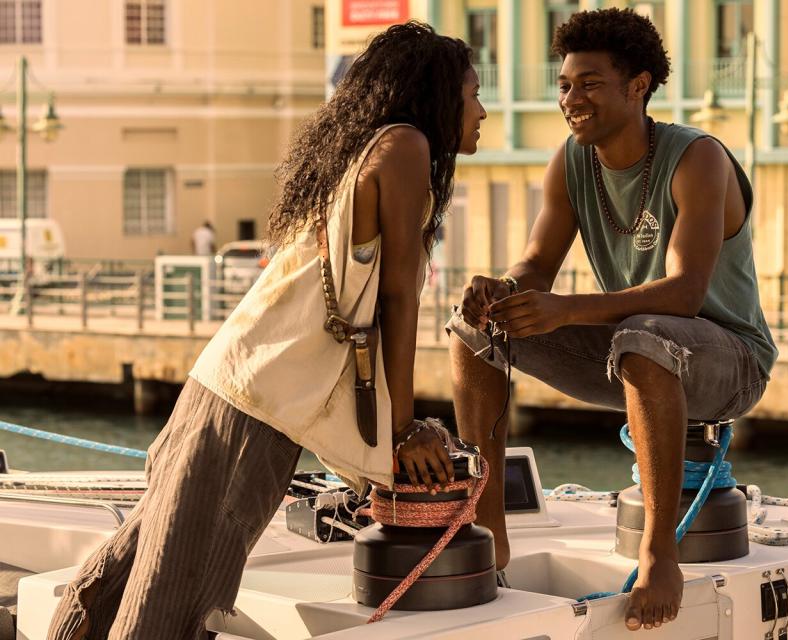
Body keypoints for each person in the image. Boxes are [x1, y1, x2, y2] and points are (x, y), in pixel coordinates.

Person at [48, 22, 485, 639]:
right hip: (254, 406)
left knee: (136, 568)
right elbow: (395, 302)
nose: (482, 110)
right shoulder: (406, 147)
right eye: (472, 94)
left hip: (230, 388)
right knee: (172, 591)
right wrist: (406, 427)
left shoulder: (371, 148)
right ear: (439, 94)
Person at [446, 8, 777, 633]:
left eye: (590, 83)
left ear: (638, 86)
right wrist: (504, 291)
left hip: (730, 360)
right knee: (476, 333)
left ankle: (659, 555)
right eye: (566, 84)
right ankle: (487, 532)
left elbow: (683, 293)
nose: (571, 98)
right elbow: (538, 263)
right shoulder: (571, 162)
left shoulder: (698, 158)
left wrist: (562, 309)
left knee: (644, 336)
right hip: (638, 355)